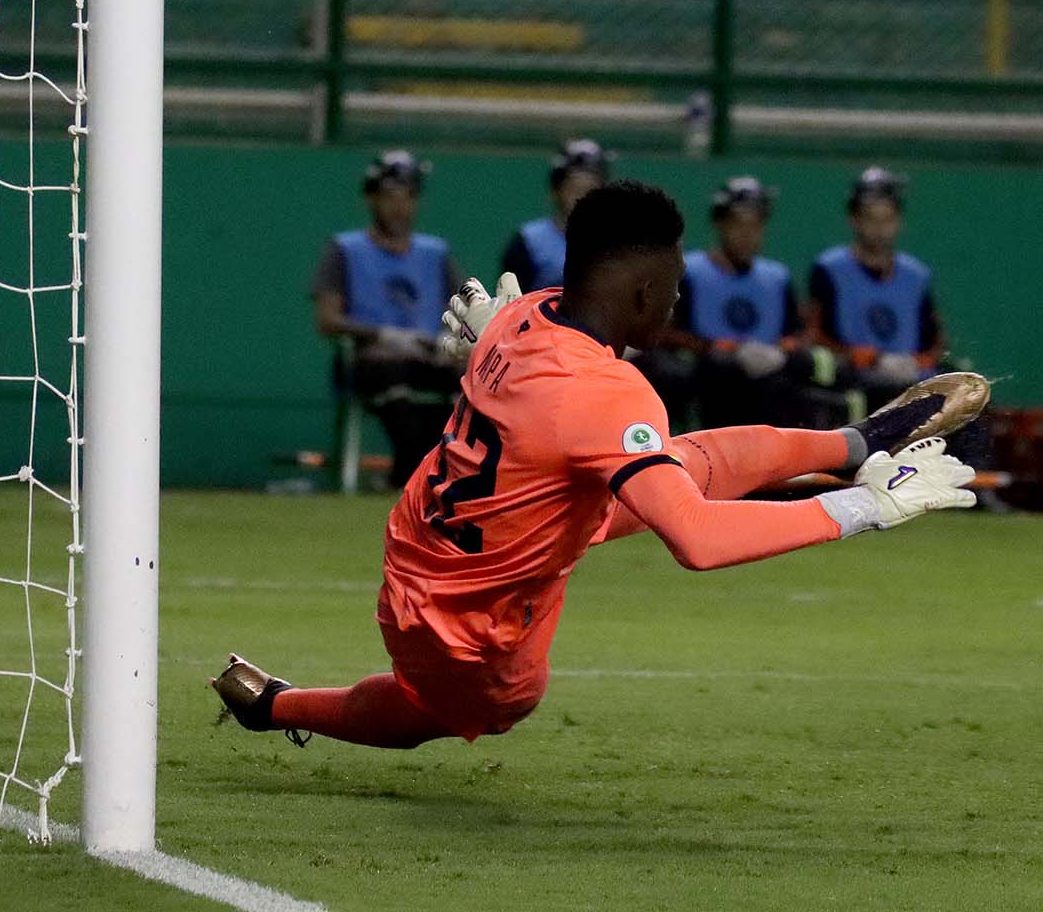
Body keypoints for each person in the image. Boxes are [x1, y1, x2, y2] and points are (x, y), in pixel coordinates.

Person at [216, 181, 985, 751]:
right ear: (643, 290)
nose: (678, 300)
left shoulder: (528, 312)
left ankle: (856, 442)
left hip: (460, 533)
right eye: (675, 288)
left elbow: (509, 355)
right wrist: (867, 511)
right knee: (463, 712)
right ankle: (275, 707)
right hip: (469, 620)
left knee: (682, 458)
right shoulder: (607, 391)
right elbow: (698, 542)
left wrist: (857, 465)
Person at [312, 150, 464, 487]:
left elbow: (461, 312)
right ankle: (411, 476)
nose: (399, 206)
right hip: (371, 360)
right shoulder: (345, 249)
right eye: (389, 197)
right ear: (371, 198)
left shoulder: (435, 253)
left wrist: (444, 341)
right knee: (396, 383)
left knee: (464, 384)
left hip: (430, 356)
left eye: (408, 196)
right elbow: (327, 320)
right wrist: (384, 335)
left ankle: (438, 476)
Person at [643, 176, 809, 428]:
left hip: (766, 376)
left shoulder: (777, 277)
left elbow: (796, 333)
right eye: (737, 225)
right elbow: (664, 332)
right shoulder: (689, 271)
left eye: (754, 226)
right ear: (720, 224)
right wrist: (717, 348)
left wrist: (782, 350)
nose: (746, 235)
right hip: (708, 375)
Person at [805, 168, 941, 411]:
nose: (879, 228)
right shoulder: (829, 269)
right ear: (854, 219)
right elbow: (813, 336)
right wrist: (869, 358)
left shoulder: (916, 275)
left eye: (887, 218)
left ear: (898, 221)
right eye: (870, 218)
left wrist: (913, 363)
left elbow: (935, 343)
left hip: (911, 378)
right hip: (852, 378)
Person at [498, 139, 610, 292]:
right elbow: (511, 305)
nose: (583, 197)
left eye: (591, 189)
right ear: (556, 191)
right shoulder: (529, 242)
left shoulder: (618, 244)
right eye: (575, 188)